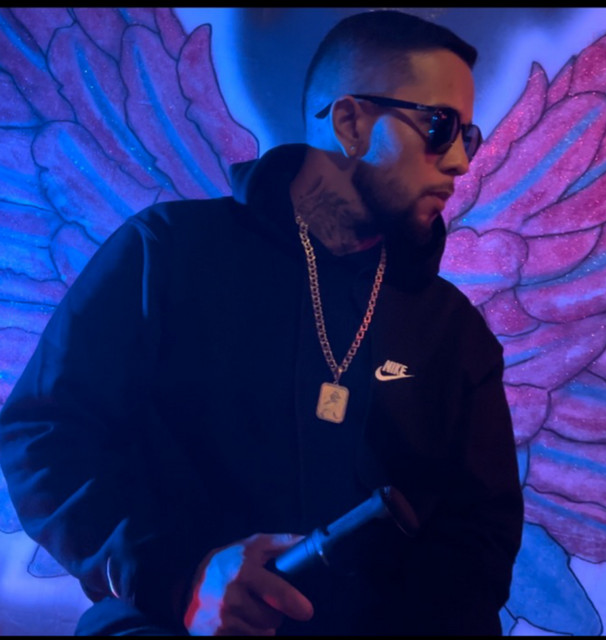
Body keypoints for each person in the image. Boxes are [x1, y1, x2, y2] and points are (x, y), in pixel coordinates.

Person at [0, 8, 524, 636]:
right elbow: (44, 435)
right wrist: (179, 577)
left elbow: (481, 536)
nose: (460, 161)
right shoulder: (168, 253)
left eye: (469, 136)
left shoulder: (454, 333)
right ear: (350, 123)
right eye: (439, 127)